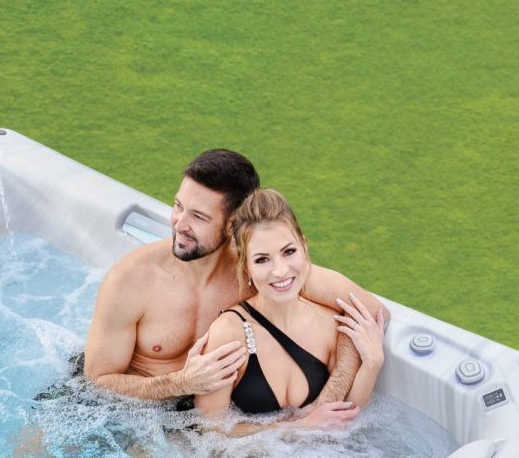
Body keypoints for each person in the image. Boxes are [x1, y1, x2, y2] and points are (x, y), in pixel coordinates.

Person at [82, 149, 385, 424]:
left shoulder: (260, 270)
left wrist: (326, 401)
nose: (178, 223)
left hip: (189, 423)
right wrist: (181, 383)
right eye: (178, 206)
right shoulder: (132, 279)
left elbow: (370, 311)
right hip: (113, 410)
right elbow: (97, 381)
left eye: (198, 216)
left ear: (232, 225)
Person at [193, 189, 386, 432]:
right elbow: (210, 432)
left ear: (304, 246)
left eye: (289, 252)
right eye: (262, 260)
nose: (281, 271)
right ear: (246, 267)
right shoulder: (230, 333)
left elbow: (347, 416)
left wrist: (372, 363)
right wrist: (299, 427)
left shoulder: (329, 324)